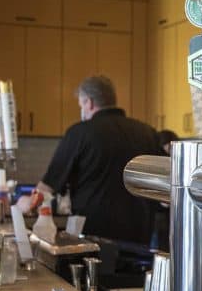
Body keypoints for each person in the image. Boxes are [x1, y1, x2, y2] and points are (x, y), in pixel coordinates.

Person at [32, 75, 163, 244]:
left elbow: (47, 188)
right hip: (140, 242)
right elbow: (164, 187)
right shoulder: (148, 133)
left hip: (93, 240)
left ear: (89, 102)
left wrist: (26, 202)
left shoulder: (80, 133)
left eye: (81, 105)